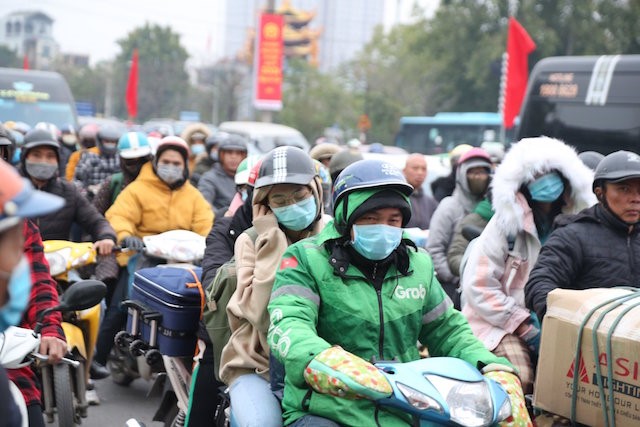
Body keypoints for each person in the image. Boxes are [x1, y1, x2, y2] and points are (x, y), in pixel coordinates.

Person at [267, 159, 530, 426]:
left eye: (393, 220)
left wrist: (488, 365)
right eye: (370, 218)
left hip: (407, 404)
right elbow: (289, 325)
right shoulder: (304, 259)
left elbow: (448, 329)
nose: (383, 227)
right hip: (328, 406)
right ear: (347, 218)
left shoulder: (418, 264)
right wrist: (332, 364)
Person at [460, 137, 596, 395]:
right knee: (519, 380)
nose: (546, 181)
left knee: (572, 390)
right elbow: (478, 286)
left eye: (551, 173)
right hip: (501, 324)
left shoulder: (576, 226)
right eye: (537, 175)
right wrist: (523, 326)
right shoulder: (504, 227)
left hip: (559, 325)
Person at [219, 146, 326, 427]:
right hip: (258, 364)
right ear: (264, 206)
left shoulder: (333, 235)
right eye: (280, 199)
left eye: (300, 195)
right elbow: (263, 315)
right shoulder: (251, 240)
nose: (292, 204)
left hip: (324, 361)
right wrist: (272, 241)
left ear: (316, 191)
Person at [186, 159, 262, 427]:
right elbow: (215, 282)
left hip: (280, 336)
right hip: (227, 332)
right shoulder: (225, 229)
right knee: (207, 388)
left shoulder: (312, 232)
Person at [526, 150, 640, 321]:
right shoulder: (572, 236)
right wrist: (570, 324)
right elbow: (539, 285)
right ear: (600, 193)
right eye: (624, 189)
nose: (635, 199)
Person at [0, 158, 65, 427]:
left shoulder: (23, 221)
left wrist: (50, 329)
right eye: (13, 247)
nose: (18, 261)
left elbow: (40, 281)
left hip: (12, 361)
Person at [92, 132, 154, 374]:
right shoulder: (113, 183)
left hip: (151, 253)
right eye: (131, 161)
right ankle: (96, 361)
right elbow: (96, 217)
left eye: (143, 160)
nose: (138, 166)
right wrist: (110, 238)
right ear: (120, 160)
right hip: (116, 250)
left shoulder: (161, 185)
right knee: (117, 304)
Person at [106, 136, 213, 256]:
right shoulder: (135, 190)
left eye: (176, 163)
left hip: (185, 257)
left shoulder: (194, 196)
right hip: (143, 255)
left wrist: (209, 243)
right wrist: (126, 236)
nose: (171, 167)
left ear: (185, 166)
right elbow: (119, 216)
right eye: (166, 162)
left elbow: (206, 224)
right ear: (156, 163)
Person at [19, 128, 117, 250]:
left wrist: (106, 237)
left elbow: (95, 221)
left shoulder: (68, 191)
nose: (43, 161)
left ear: (57, 160)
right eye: (36, 155)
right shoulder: (9, 189)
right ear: (24, 157)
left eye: (50, 156)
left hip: (58, 262)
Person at [426, 147, 492, 304]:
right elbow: (434, 250)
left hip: (485, 289)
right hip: (451, 288)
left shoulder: (491, 208)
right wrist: (457, 276)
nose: (478, 177)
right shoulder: (449, 206)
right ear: (462, 174)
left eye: (483, 172)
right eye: (473, 172)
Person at [198, 135, 248, 217]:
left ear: (244, 156)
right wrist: (224, 215)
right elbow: (204, 205)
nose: (233, 157)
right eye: (229, 152)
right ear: (221, 155)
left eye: (238, 153)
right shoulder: (209, 179)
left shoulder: (249, 178)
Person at [73, 126, 122, 199]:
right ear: (100, 141)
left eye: (112, 142)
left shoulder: (120, 158)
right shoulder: (90, 157)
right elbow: (77, 180)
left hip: (115, 197)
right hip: (92, 197)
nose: (109, 144)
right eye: (106, 141)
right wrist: (89, 189)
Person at [403, 153, 438, 229]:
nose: (420, 173)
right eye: (415, 168)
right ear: (404, 171)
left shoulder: (431, 202)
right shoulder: (398, 198)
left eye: (424, 169)